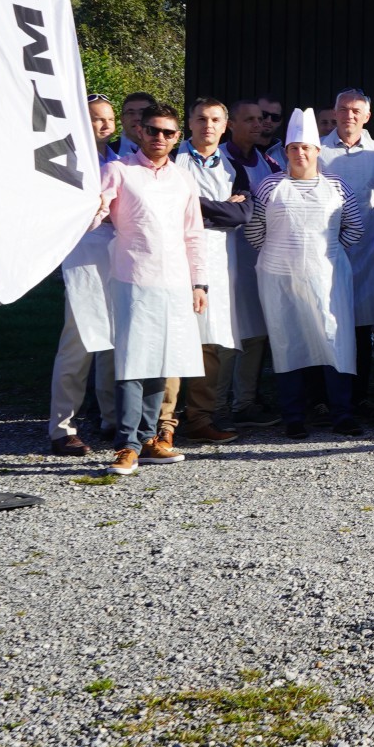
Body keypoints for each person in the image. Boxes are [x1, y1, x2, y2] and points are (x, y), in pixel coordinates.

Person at [92, 103, 208, 474]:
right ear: (139, 131)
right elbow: (97, 211)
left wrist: (199, 281)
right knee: (132, 362)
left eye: (169, 133)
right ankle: (125, 444)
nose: (160, 138)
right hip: (133, 277)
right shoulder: (119, 170)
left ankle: (147, 438)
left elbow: (193, 232)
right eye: (154, 131)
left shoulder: (182, 178)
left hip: (175, 280)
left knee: (163, 360)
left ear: (178, 137)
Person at [246, 108, 365, 439]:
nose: (300, 153)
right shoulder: (269, 185)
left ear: (317, 151)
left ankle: (341, 413)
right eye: (294, 148)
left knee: (334, 340)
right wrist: (281, 256)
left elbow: (354, 228)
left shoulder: (337, 186)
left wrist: (328, 254)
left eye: (306, 148)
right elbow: (255, 231)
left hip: (327, 277)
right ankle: (294, 416)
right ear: (286, 152)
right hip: (279, 278)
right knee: (287, 343)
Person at [164, 97, 249, 446]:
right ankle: (163, 423)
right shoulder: (171, 160)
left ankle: (199, 418)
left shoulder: (233, 167)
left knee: (209, 343)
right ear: (189, 123)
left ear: (225, 125)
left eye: (215, 119)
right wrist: (216, 208)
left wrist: (194, 206)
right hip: (172, 259)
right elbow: (167, 205)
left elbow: (241, 217)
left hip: (215, 262)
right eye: (201, 119)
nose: (208, 125)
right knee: (171, 340)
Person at [45, 100, 119, 454]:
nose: (105, 125)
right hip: (84, 256)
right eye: (97, 120)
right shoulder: (69, 161)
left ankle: (110, 417)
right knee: (78, 343)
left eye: (109, 119)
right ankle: (62, 427)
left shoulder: (119, 158)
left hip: (117, 256)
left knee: (114, 341)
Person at [319, 89, 374, 405]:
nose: (349, 115)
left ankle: (359, 396)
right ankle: (326, 397)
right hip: (325, 249)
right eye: (343, 109)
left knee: (363, 328)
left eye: (356, 111)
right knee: (328, 324)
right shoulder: (318, 150)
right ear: (334, 113)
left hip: (366, 250)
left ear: (367, 116)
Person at [221, 99, 282, 424]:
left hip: (259, 257)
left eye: (261, 120)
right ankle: (216, 405)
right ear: (231, 124)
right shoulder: (219, 161)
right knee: (226, 333)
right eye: (250, 120)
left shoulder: (269, 163)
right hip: (224, 256)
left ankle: (245, 402)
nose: (259, 125)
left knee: (256, 331)